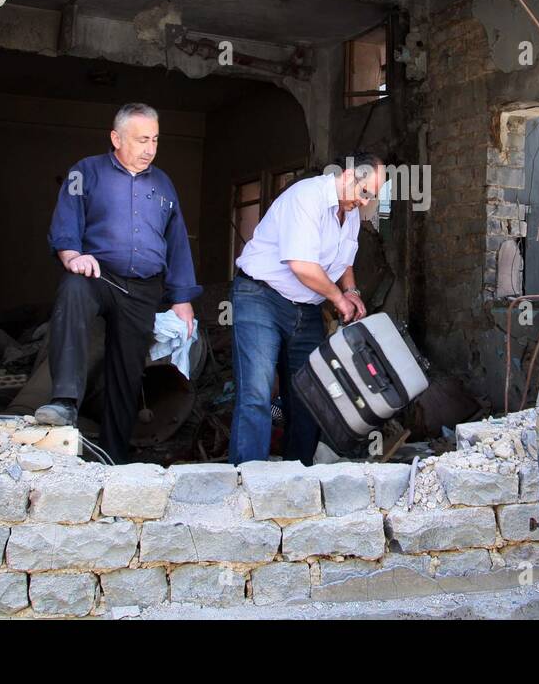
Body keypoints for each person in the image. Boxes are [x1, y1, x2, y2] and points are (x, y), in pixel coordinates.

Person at [36, 103, 200, 464]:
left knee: (127, 369)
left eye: (155, 140)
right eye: (142, 140)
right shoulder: (86, 171)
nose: (150, 148)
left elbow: (177, 242)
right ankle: (64, 402)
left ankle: (114, 455)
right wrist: (72, 256)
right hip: (98, 275)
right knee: (73, 289)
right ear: (116, 138)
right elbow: (66, 221)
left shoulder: (163, 182)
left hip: (143, 289)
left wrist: (182, 297)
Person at [228, 152, 385, 465]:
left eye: (373, 196)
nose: (366, 202)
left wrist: (351, 291)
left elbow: (345, 259)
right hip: (261, 297)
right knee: (257, 394)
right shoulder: (306, 197)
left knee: (308, 394)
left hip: (305, 308)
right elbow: (301, 265)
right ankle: (247, 482)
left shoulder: (350, 212)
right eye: (365, 192)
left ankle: (296, 475)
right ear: (349, 174)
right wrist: (338, 300)